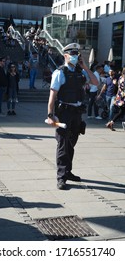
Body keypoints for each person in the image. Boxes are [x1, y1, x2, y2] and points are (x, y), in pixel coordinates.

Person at [47, 43, 99, 190]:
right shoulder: (59, 73)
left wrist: (85, 67)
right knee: (63, 144)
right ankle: (61, 177)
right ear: (65, 55)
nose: (76, 57)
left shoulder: (80, 72)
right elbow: (52, 96)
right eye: (73, 54)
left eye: (77, 54)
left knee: (71, 144)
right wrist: (50, 115)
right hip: (64, 113)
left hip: (76, 113)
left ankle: (68, 171)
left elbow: (96, 82)